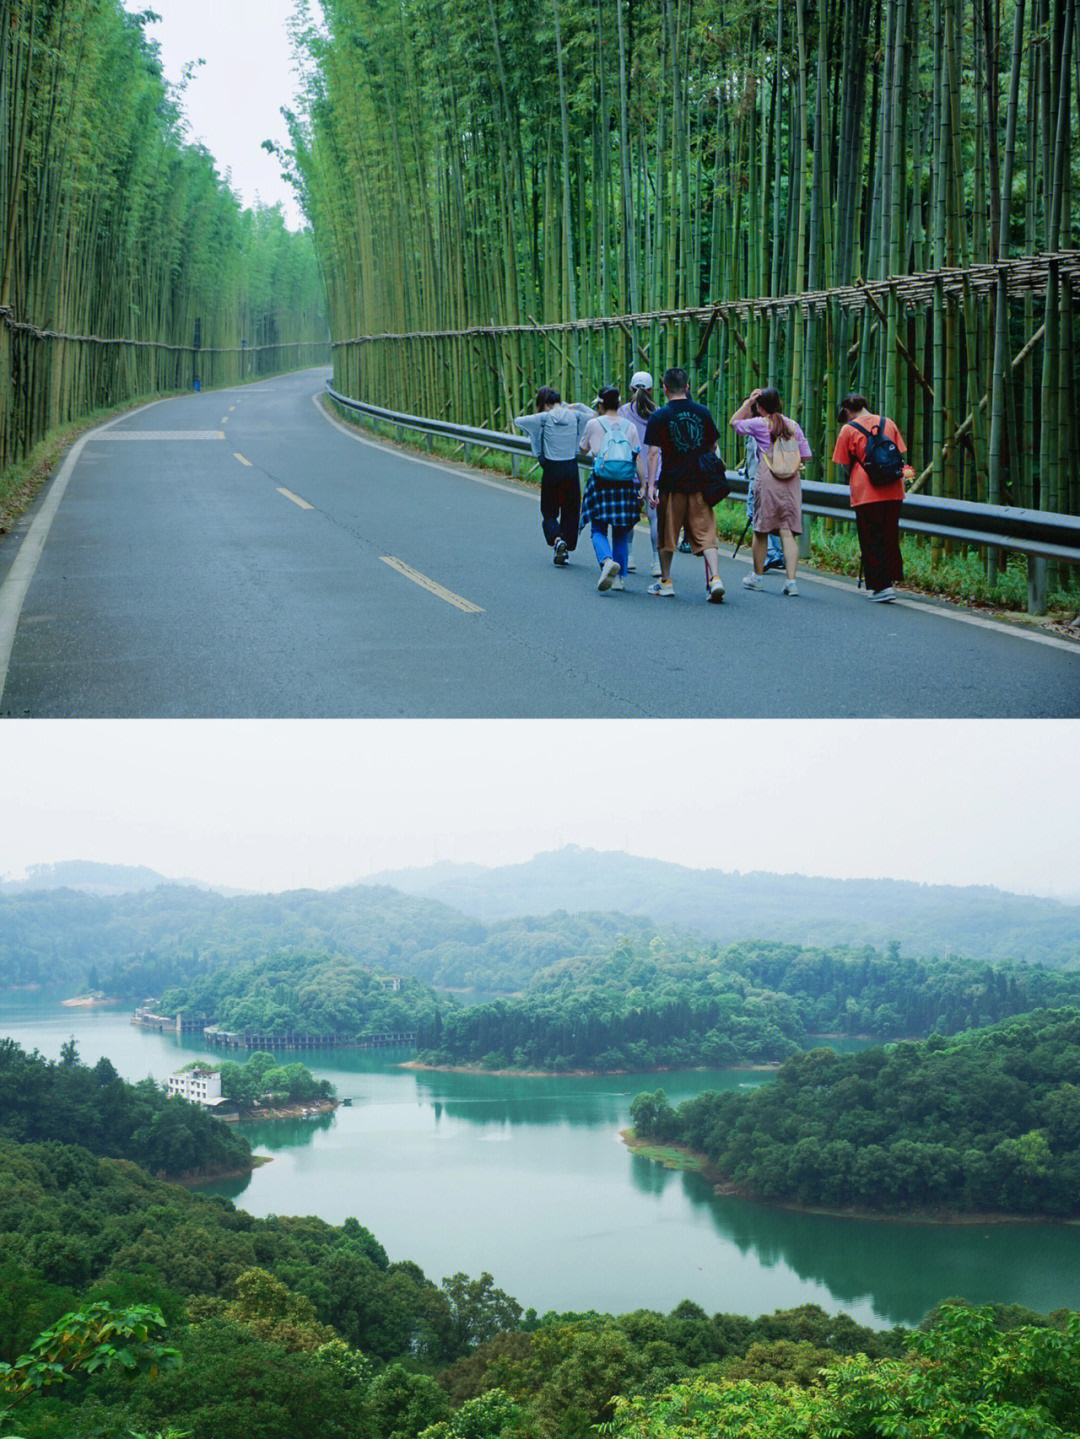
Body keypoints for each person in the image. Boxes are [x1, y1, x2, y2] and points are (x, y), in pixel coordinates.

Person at [642, 368, 725, 602]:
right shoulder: (702, 412)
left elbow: (653, 453)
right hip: (700, 482)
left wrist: (650, 486)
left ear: (665, 389)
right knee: (706, 532)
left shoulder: (659, 416)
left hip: (671, 482)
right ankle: (716, 578)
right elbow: (712, 445)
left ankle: (666, 581)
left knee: (667, 533)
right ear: (687, 387)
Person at [831, 394, 915, 602]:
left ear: (848, 411)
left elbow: (843, 463)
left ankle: (881, 587)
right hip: (894, 489)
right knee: (889, 536)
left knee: (871, 537)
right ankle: (890, 581)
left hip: (866, 491)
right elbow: (899, 453)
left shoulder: (848, 429)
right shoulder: (889, 423)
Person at [730, 387, 812, 596]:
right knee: (787, 531)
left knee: (761, 529)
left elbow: (735, 424)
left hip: (767, 477)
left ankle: (757, 577)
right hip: (791, 479)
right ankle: (791, 582)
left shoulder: (759, 423)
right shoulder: (792, 425)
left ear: (760, 406)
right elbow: (806, 455)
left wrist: (747, 403)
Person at [514, 387, 593, 565]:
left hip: (551, 470)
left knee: (549, 512)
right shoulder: (576, 415)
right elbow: (595, 415)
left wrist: (543, 417)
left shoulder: (545, 417)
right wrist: (577, 405)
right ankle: (566, 542)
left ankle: (557, 540)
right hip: (571, 469)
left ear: (544, 404)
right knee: (571, 510)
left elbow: (519, 421)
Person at [579, 387, 643, 592]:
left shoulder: (593, 423)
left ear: (600, 404)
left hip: (601, 481)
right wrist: (642, 485)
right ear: (619, 403)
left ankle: (607, 562)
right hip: (624, 484)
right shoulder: (630, 426)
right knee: (621, 532)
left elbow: (583, 449)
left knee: (598, 528)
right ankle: (618, 579)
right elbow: (638, 457)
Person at [617, 371, 660, 575]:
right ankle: (657, 562)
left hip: (630, 471)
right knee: (655, 518)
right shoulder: (659, 412)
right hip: (655, 473)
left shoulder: (622, 412)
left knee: (629, 517)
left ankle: (630, 557)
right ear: (652, 390)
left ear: (630, 389)